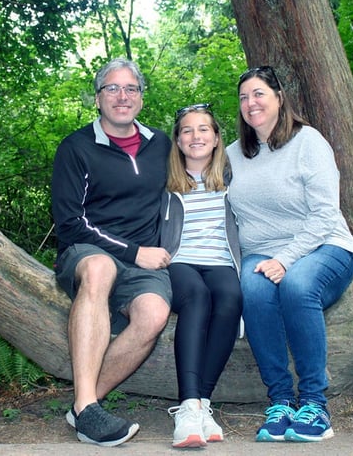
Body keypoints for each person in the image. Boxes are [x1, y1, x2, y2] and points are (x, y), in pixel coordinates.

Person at [227, 65, 353, 443]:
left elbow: (324, 215)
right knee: (251, 290)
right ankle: (282, 402)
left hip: (324, 247)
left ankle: (315, 404)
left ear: (279, 98)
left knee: (298, 287)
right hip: (260, 252)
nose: (250, 103)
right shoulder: (234, 155)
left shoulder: (309, 142)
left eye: (258, 94)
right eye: (243, 97)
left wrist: (285, 259)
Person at [51, 58, 173, 447]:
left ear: (141, 97)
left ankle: (85, 408)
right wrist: (134, 252)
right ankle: (88, 407)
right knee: (102, 268)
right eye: (113, 89)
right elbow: (69, 222)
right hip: (88, 251)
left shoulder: (161, 145)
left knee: (154, 314)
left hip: (145, 260)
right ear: (98, 98)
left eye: (131, 89)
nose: (123, 96)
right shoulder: (76, 148)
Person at [160, 104, 243, 448]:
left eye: (204, 129)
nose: (196, 136)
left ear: (216, 138)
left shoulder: (234, 178)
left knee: (231, 298)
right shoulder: (163, 181)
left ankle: (202, 404)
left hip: (222, 261)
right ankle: (187, 405)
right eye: (187, 131)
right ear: (178, 141)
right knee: (197, 297)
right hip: (180, 261)